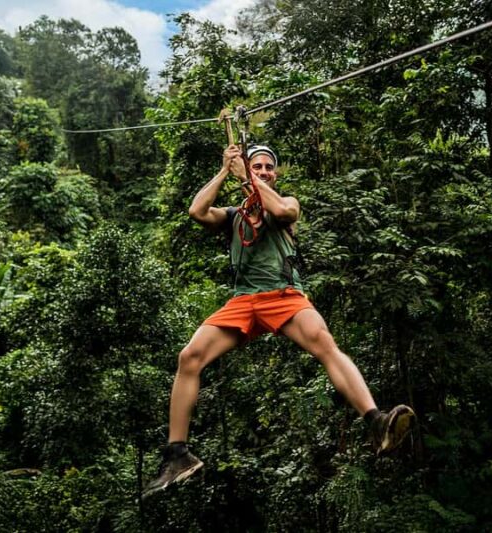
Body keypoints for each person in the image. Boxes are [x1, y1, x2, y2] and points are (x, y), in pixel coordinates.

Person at [143, 143, 415, 497]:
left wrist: (249, 180)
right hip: (244, 301)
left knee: (323, 343)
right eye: (258, 166)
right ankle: (177, 453)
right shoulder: (234, 216)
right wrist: (227, 171)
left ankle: (376, 422)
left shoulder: (284, 203)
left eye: (269, 167)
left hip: (283, 295)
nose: (265, 171)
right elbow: (196, 210)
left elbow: (284, 210)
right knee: (189, 358)